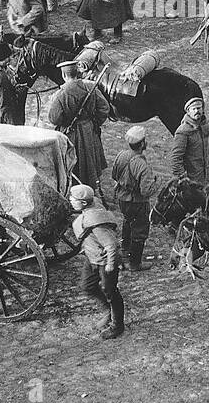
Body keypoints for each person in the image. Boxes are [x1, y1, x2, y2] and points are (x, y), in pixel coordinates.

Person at [70, 183, 125, 339]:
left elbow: (111, 245)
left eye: (73, 199)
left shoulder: (95, 223)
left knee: (111, 292)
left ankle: (117, 326)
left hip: (105, 262)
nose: (70, 201)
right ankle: (108, 310)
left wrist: (110, 266)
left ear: (84, 203)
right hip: (92, 258)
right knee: (87, 286)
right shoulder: (91, 208)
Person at [49, 59, 111, 187]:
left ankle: (76, 188)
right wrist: (94, 123)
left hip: (71, 134)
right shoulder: (90, 87)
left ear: (64, 75)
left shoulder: (61, 94)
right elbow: (104, 108)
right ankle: (91, 185)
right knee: (89, 159)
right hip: (88, 130)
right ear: (77, 73)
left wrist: (65, 122)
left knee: (74, 161)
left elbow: (54, 118)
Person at [111, 125, 159, 271]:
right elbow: (146, 191)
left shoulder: (121, 155)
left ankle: (125, 251)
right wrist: (158, 182)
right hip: (137, 202)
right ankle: (134, 263)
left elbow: (114, 175)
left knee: (127, 222)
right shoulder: (142, 165)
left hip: (122, 199)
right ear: (143, 143)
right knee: (140, 230)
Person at [172, 96, 209, 186]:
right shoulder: (183, 131)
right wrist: (183, 179)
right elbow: (176, 158)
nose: (197, 111)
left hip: (205, 179)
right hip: (191, 182)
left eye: (199, 108)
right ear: (188, 112)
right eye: (193, 109)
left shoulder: (206, 127)